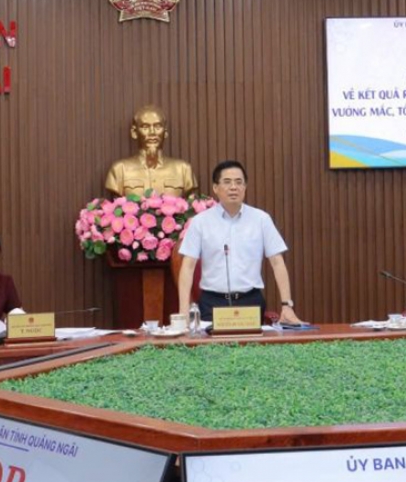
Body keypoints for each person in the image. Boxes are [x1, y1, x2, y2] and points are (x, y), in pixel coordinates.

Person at [176, 160, 304, 325]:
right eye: (227, 182)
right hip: (212, 303)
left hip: (250, 301)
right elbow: (188, 266)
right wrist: (184, 310)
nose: (233, 187)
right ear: (215, 188)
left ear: (245, 187)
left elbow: (277, 262)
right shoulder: (200, 222)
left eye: (238, 182)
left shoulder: (261, 219)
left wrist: (287, 305)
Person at [105, 104, 197, 198]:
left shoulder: (183, 169)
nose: (152, 132)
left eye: (158, 127)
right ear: (134, 132)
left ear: (165, 132)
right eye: (145, 127)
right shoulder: (120, 170)